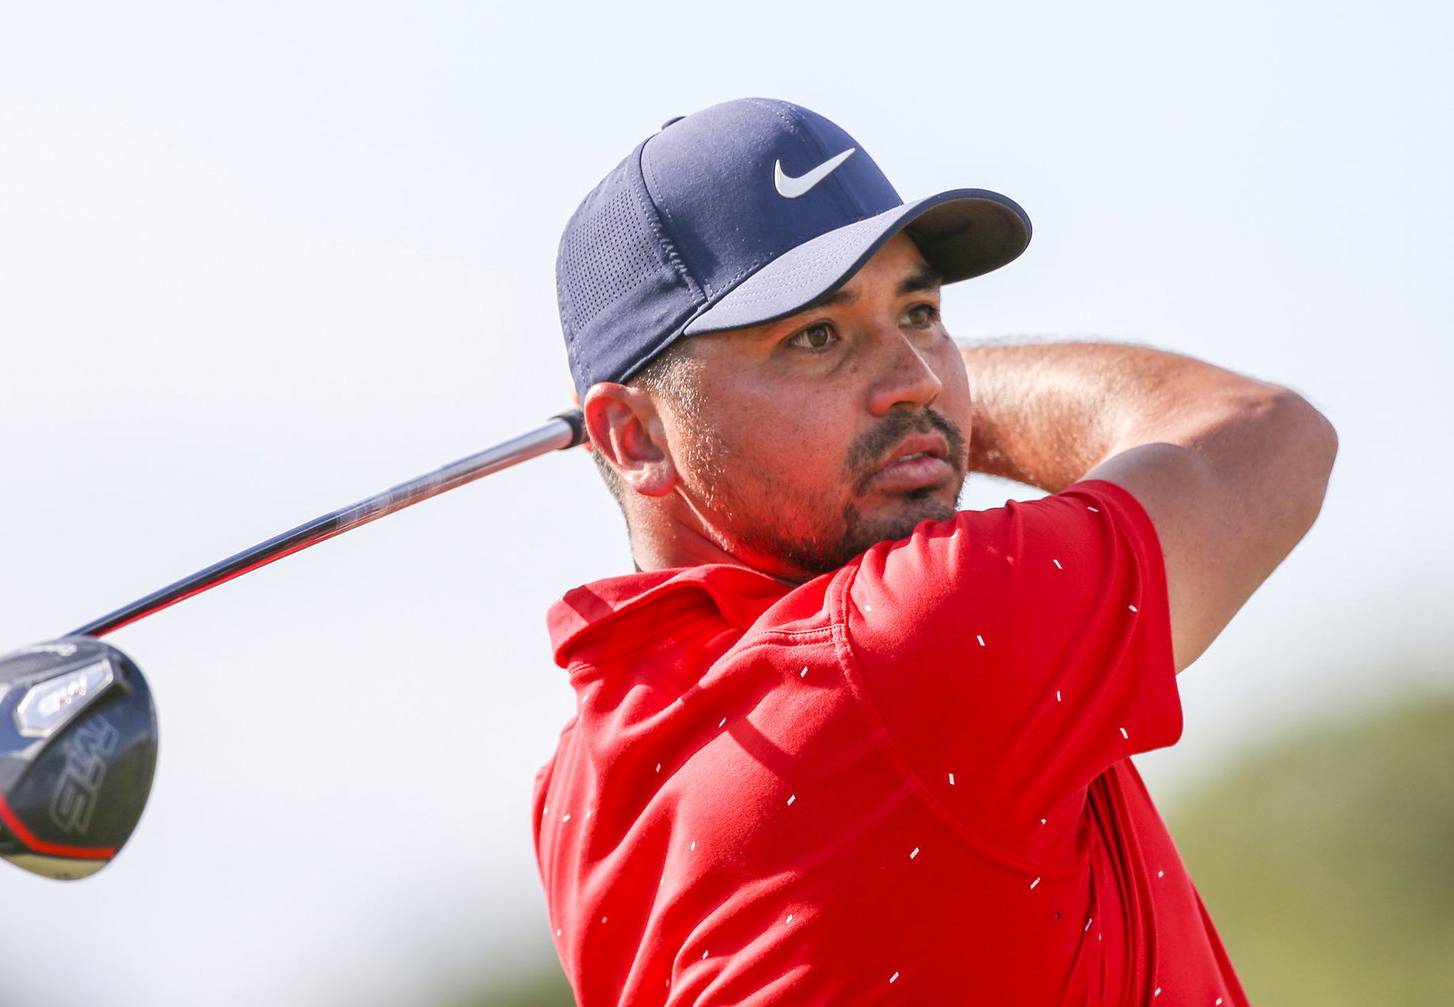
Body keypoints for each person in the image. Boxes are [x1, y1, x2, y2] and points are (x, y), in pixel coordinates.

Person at [532, 98, 1335, 1006]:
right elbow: (1264, 438)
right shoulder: (914, 639)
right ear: (634, 435)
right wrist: (931, 413)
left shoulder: (577, 788)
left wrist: (882, 405)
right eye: (816, 335)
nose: (917, 379)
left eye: (920, 313)